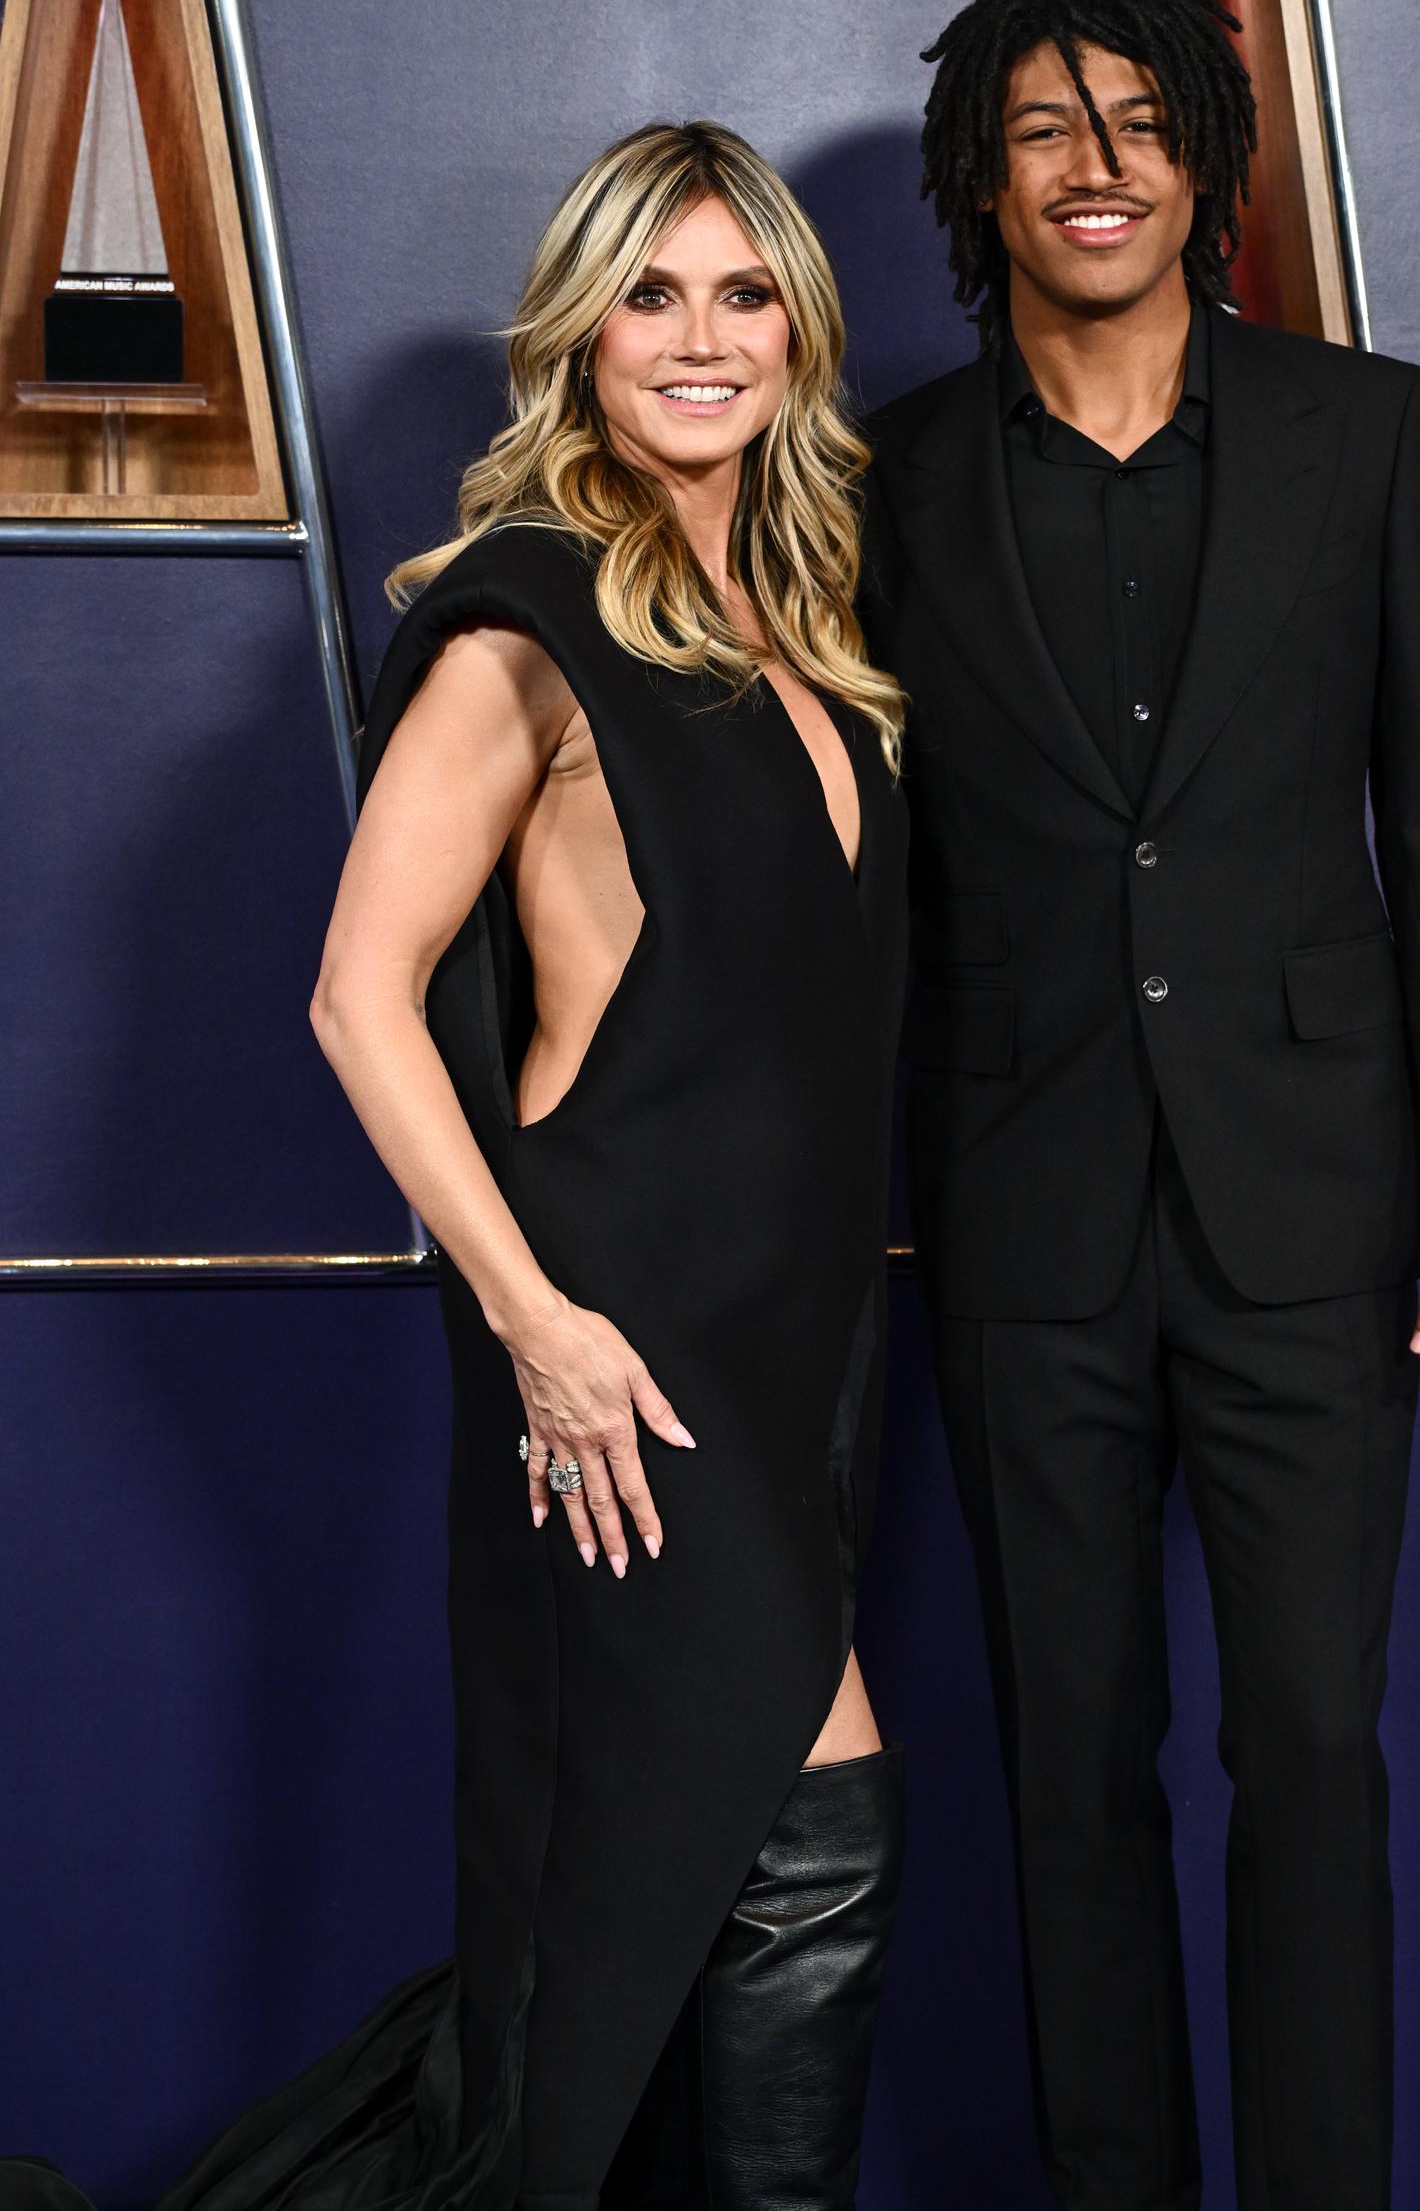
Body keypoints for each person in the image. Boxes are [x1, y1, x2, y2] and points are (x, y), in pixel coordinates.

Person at [6, 121, 909, 2211]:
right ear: (578, 340)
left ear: (797, 328)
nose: (698, 338)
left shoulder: (798, 629)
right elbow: (356, 989)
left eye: (741, 292)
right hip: (622, 1348)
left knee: (681, 1887)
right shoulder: (527, 614)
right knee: (801, 1826)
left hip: (785, 1361)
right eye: (648, 295)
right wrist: (538, 1331)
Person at [859, 0, 1420, 2211]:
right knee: (1065, 1773)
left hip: (1314, 1207)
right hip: (1017, 1208)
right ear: (982, 169)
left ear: (1205, 163)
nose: (1095, 168)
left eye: (1139, 124)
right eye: (1047, 128)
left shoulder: (1364, 428)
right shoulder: (883, 474)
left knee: (1308, 1754)